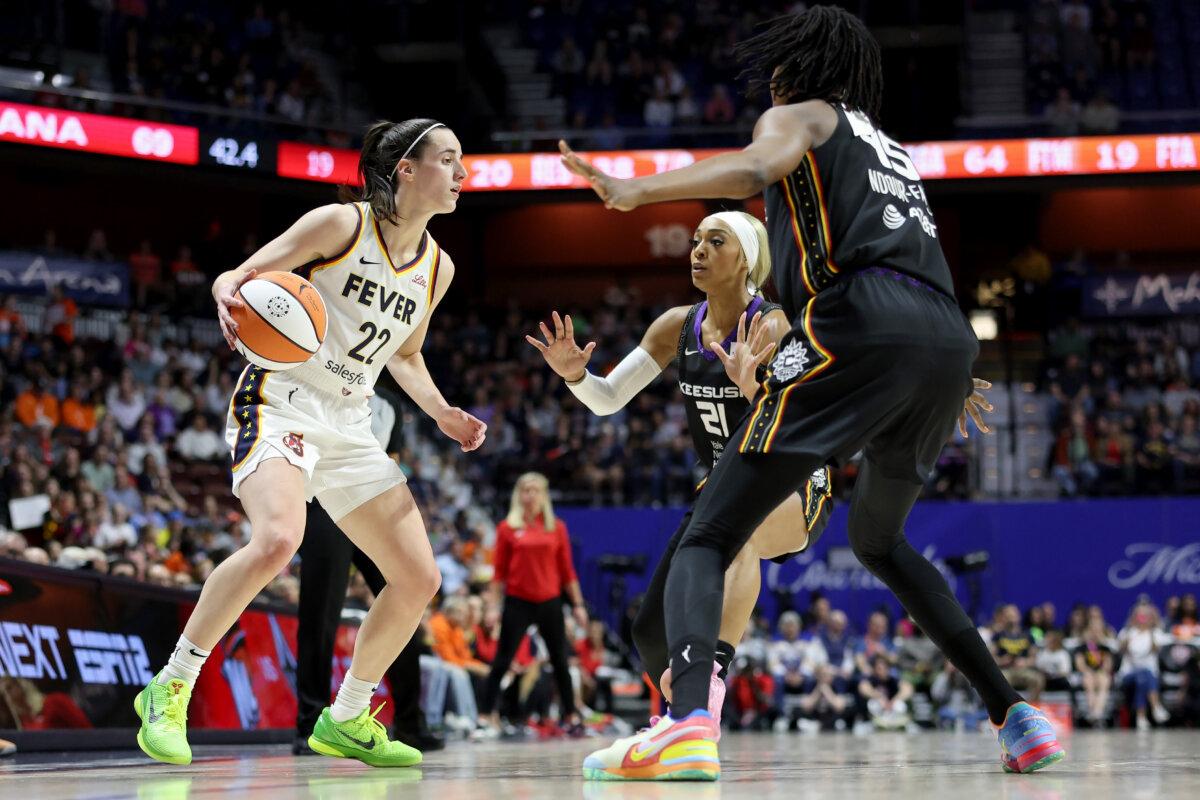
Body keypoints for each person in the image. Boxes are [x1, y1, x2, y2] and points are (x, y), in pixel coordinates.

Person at [562, 6, 1060, 779]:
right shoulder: (889, 147)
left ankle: (689, 720)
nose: (769, 80)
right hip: (942, 334)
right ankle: (1016, 716)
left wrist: (637, 189)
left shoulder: (803, 115)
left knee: (707, 532)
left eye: (776, 65)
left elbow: (753, 170)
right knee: (880, 541)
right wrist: (937, 372)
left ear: (797, 66)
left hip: (861, 322)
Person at [132, 118, 486, 768]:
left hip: (352, 421)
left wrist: (440, 412)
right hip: (282, 398)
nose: (463, 173)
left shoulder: (439, 267)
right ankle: (170, 685)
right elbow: (239, 277)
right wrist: (229, 295)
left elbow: (405, 353)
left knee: (417, 577)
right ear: (405, 169)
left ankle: (346, 717)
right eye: (449, 159)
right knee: (277, 541)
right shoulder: (340, 225)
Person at [527, 211, 842, 719]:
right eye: (695, 241)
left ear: (746, 260)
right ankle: (685, 715)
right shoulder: (676, 326)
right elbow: (607, 399)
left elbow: (818, 416)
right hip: (722, 486)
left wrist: (754, 391)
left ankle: (704, 690)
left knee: (736, 529)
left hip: (793, 480)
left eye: (715, 242)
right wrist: (575, 376)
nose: (697, 250)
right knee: (651, 632)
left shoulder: (778, 326)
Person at [293, 385, 444, 755]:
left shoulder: (390, 404)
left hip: (372, 503)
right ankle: (310, 723)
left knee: (407, 599)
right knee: (319, 614)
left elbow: (390, 458)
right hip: (325, 504)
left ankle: (410, 721)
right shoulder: (323, 379)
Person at [478, 472, 586, 736]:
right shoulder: (507, 528)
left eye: (536, 490)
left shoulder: (556, 527)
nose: (530, 495)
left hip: (549, 601)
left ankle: (570, 715)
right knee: (502, 659)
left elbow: (567, 571)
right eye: (525, 490)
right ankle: (484, 716)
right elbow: (498, 573)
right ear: (519, 494)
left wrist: (578, 605)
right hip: (518, 601)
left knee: (560, 660)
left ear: (543, 495)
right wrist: (492, 606)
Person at [1117, 600, 1173, 730]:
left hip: (1150, 677)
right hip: (1128, 675)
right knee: (1144, 674)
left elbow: (1159, 647)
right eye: (1140, 615)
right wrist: (1129, 635)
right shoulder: (1127, 632)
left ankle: (1141, 717)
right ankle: (1156, 707)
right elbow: (1120, 649)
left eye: (1146, 615)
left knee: (1143, 677)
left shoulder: (1156, 633)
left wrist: (1152, 628)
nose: (1142, 618)